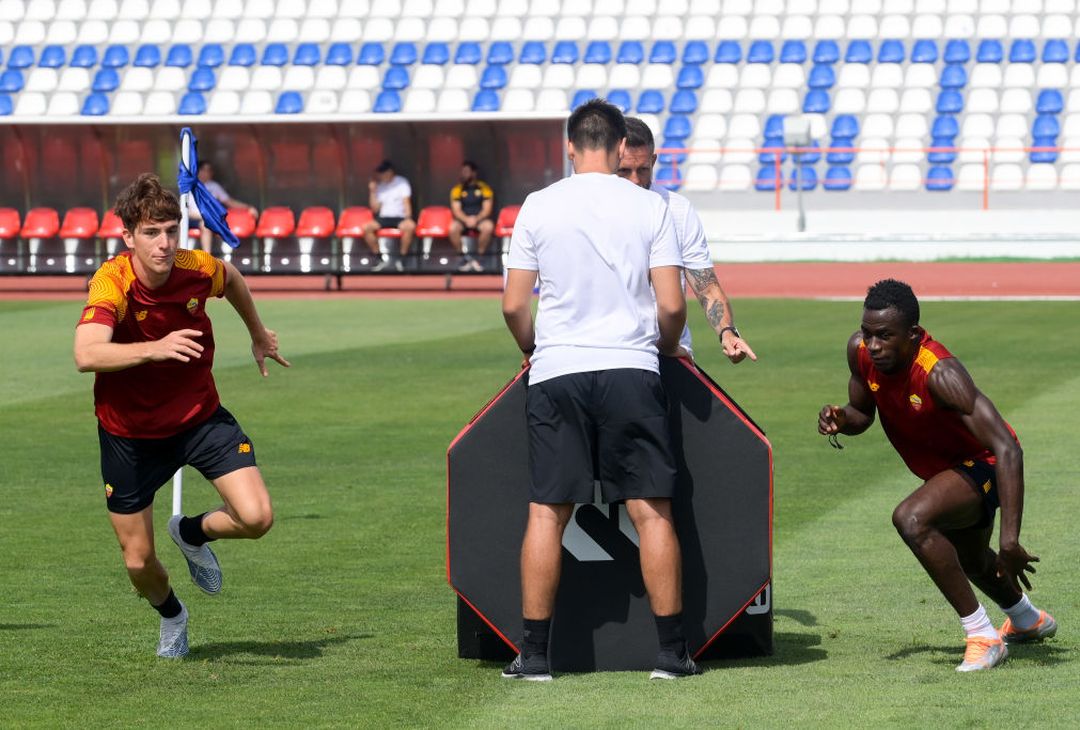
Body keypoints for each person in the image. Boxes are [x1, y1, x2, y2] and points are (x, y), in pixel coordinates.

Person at [501, 99, 697, 681]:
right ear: (618, 149)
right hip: (631, 367)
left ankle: (534, 657)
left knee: (546, 512)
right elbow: (672, 304)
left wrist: (534, 347)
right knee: (651, 511)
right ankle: (670, 654)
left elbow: (514, 304)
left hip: (558, 366)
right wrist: (659, 347)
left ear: (569, 147)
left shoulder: (538, 205)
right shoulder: (646, 206)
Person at [74, 173, 289, 659]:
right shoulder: (113, 281)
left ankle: (190, 531)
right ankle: (172, 614)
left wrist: (257, 332)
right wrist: (155, 349)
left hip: (198, 416)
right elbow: (86, 354)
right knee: (138, 562)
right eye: (152, 232)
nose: (165, 243)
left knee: (257, 518)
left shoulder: (195, 266)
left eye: (172, 230)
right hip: (130, 434)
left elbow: (231, 277)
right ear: (128, 236)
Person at [818, 279, 1055, 672]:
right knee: (973, 560)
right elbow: (861, 413)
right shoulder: (859, 352)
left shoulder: (941, 373)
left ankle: (982, 636)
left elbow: (1008, 448)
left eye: (885, 336)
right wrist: (841, 419)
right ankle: (1028, 620)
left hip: (986, 465)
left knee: (912, 518)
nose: (873, 345)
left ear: (912, 335)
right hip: (949, 470)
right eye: (868, 333)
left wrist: (1010, 540)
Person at [616, 117, 756, 364]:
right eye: (624, 171)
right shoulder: (594, 211)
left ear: (654, 161)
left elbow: (706, 285)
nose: (635, 180)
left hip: (670, 354)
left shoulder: (678, 210)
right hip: (613, 353)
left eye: (643, 169)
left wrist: (727, 332)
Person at [186, 160, 258, 253]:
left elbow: (230, 202)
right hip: (189, 217)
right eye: (204, 170)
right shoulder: (189, 185)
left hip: (205, 220)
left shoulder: (214, 186)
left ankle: (207, 259)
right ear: (197, 171)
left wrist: (248, 207)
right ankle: (178, 256)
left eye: (209, 171)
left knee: (205, 225)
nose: (207, 173)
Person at [363, 159, 415, 272]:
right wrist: (372, 192)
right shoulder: (380, 186)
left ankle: (402, 259)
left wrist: (408, 218)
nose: (381, 175)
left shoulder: (402, 182)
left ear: (390, 172)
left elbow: (406, 202)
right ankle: (379, 258)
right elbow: (375, 208)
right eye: (380, 173)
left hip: (399, 217)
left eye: (383, 172)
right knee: (367, 228)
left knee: (410, 227)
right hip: (384, 217)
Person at [448, 160, 496, 273]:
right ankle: (462, 258)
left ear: (474, 173)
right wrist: (466, 219)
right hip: (463, 220)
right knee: (452, 228)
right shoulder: (457, 189)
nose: (464, 174)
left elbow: (487, 209)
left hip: (480, 219)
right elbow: (456, 210)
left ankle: (479, 258)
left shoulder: (484, 188)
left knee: (488, 226)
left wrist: (476, 219)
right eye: (463, 171)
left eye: (467, 171)